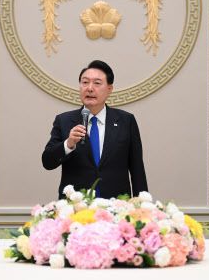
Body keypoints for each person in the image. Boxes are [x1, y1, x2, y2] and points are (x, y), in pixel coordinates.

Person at [42, 60, 148, 199]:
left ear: (109, 89)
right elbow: (47, 162)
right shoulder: (64, 121)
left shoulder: (126, 121)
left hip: (117, 204)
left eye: (97, 83)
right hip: (77, 205)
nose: (90, 88)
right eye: (85, 82)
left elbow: (137, 168)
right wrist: (68, 144)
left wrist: (142, 204)